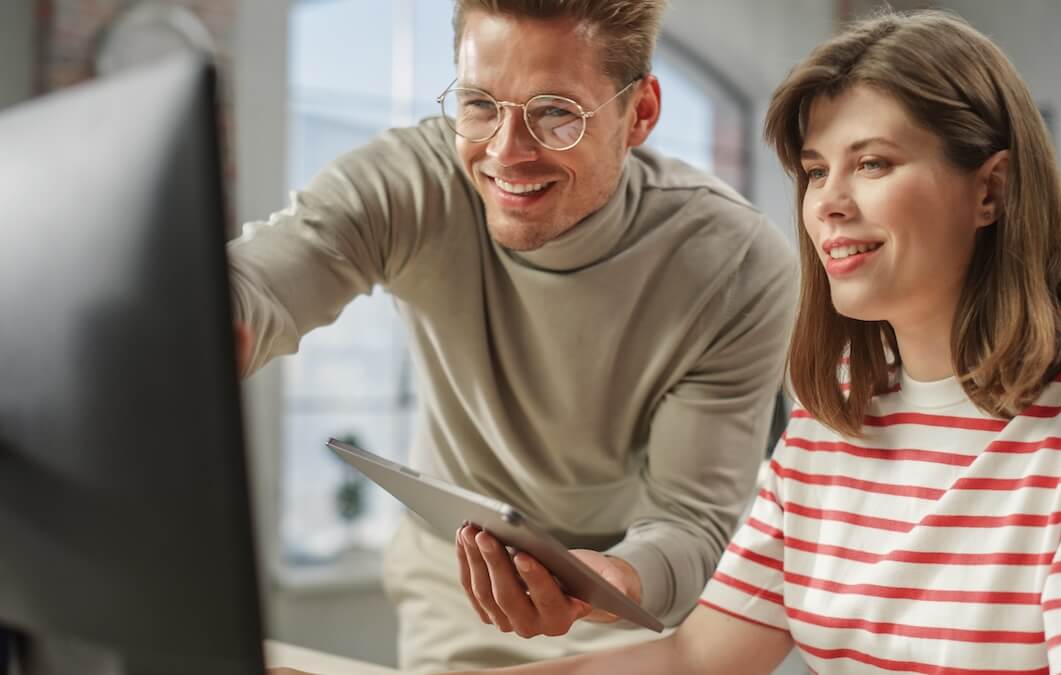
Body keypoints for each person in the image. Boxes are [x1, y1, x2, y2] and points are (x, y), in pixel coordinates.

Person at [446, 9, 1061, 675]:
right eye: (814, 170)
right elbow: (697, 658)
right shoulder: (839, 405)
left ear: (991, 191)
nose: (828, 203)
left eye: (872, 163)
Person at [229, 0, 797, 670]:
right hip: (450, 593)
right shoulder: (411, 183)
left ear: (639, 112)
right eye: (478, 104)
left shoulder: (731, 265)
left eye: (555, 111)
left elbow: (690, 520)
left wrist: (614, 581)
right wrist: (202, 328)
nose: (504, 152)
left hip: (624, 618)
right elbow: (263, 281)